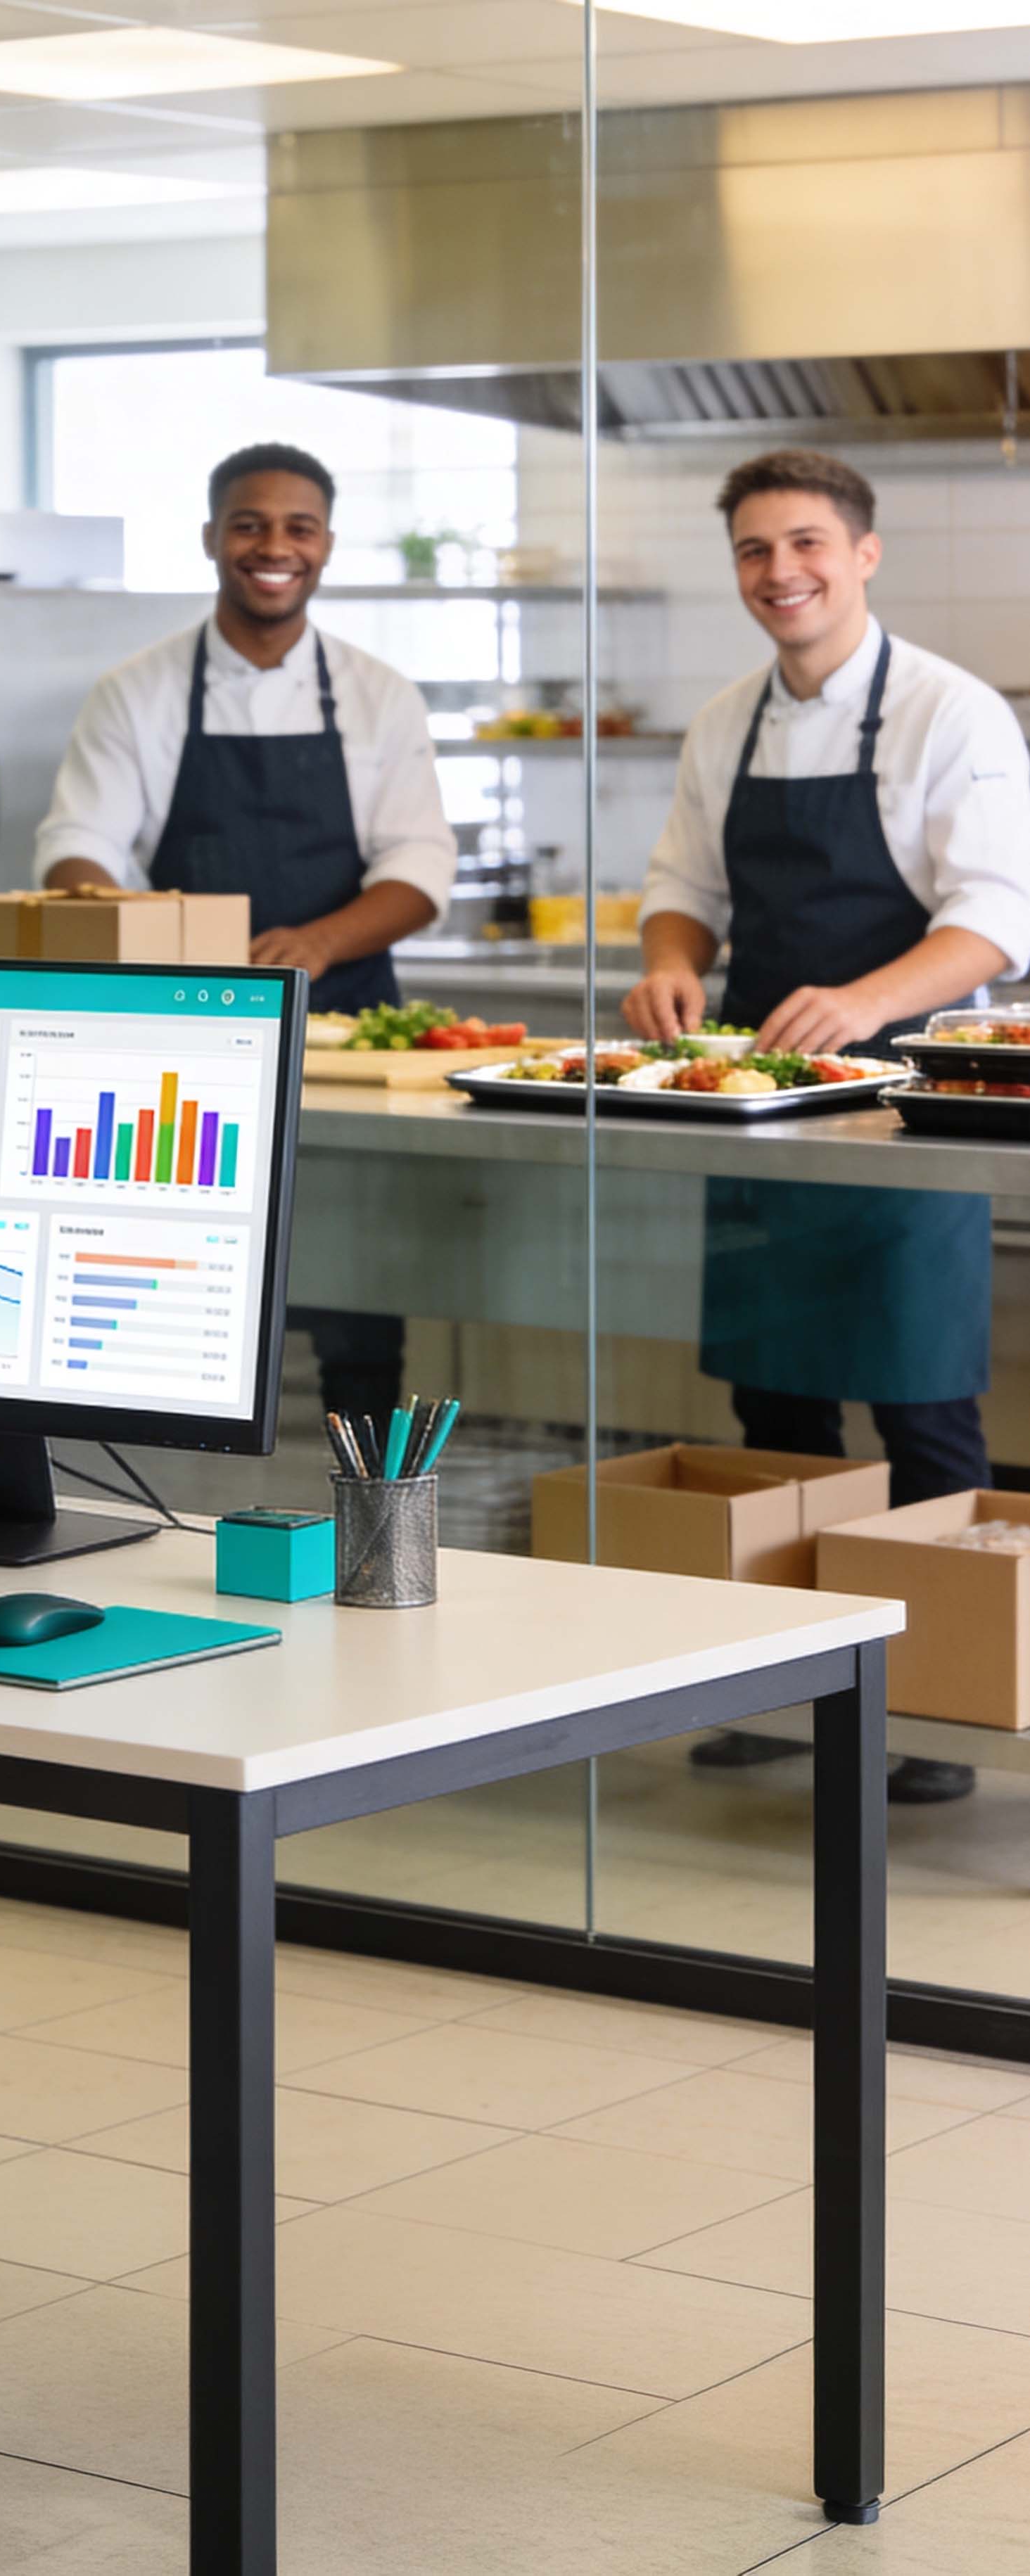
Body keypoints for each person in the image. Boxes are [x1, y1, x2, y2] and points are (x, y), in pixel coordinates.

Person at [626, 448, 1030, 1806]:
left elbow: (994, 918)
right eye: (753, 549)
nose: (778, 571)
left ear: (862, 553)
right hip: (757, 1101)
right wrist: (670, 962)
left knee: (920, 1405)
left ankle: (936, 1700)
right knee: (771, 1408)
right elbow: (682, 888)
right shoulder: (725, 722)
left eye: (804, 542)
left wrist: (865, 1001)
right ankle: (781, 1681)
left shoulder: (949, 712)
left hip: (906, 1106)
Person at [34, 439, 459, 1429]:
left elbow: (419, 867)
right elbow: (76, 845)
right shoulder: (137, 690)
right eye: (249, 525)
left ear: (327, 544)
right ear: (211, 538)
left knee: (357, 1298)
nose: (274, 546)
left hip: (347, 1039)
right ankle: (181, 1488)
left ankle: (363, 1491)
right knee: (180, 1297)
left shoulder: (377, 694)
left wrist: (318, 942)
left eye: (298, 527)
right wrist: (149, 932)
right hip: (188, 1047)